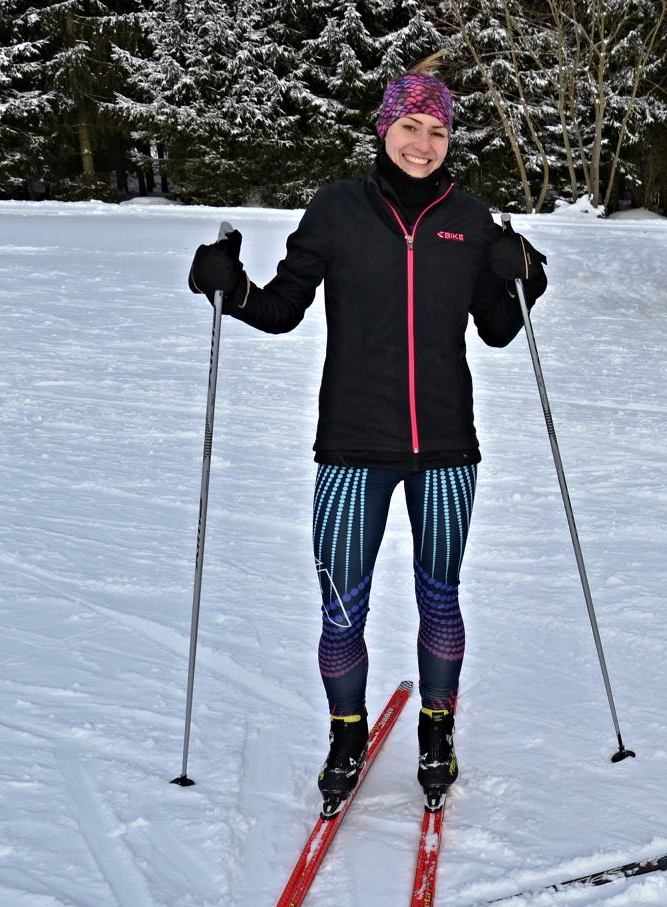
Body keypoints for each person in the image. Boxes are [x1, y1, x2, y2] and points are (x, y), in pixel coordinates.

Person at [186, 70, 548, 816]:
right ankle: (346, 734)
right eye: (410, 127)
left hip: (445, 447)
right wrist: (231, 287)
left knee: (440, 596)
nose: (423, 144)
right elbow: (283, 308)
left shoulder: (470, 218)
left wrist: (526, 281)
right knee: (341, 606)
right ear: (383, 131)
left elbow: (497, 329)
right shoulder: (337, 208)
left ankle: (437, 731)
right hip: (352, 446)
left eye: (438, 131)